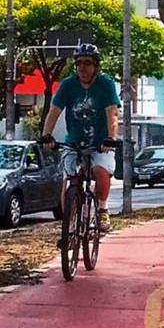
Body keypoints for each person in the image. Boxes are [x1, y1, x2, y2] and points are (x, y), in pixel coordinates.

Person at [41, 43, 120, 232]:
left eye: (87, 63)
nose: (82, 68)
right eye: (79, 64)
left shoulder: (106, 84)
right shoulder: (68, 84)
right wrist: (46, 135)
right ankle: (68, 222)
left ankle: (102, 209)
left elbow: (112, 113)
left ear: (96, 66)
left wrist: (111, 138)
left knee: (101, 172)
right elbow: (54, 111)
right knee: (68, 180)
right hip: (74, 142)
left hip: (100, 143)